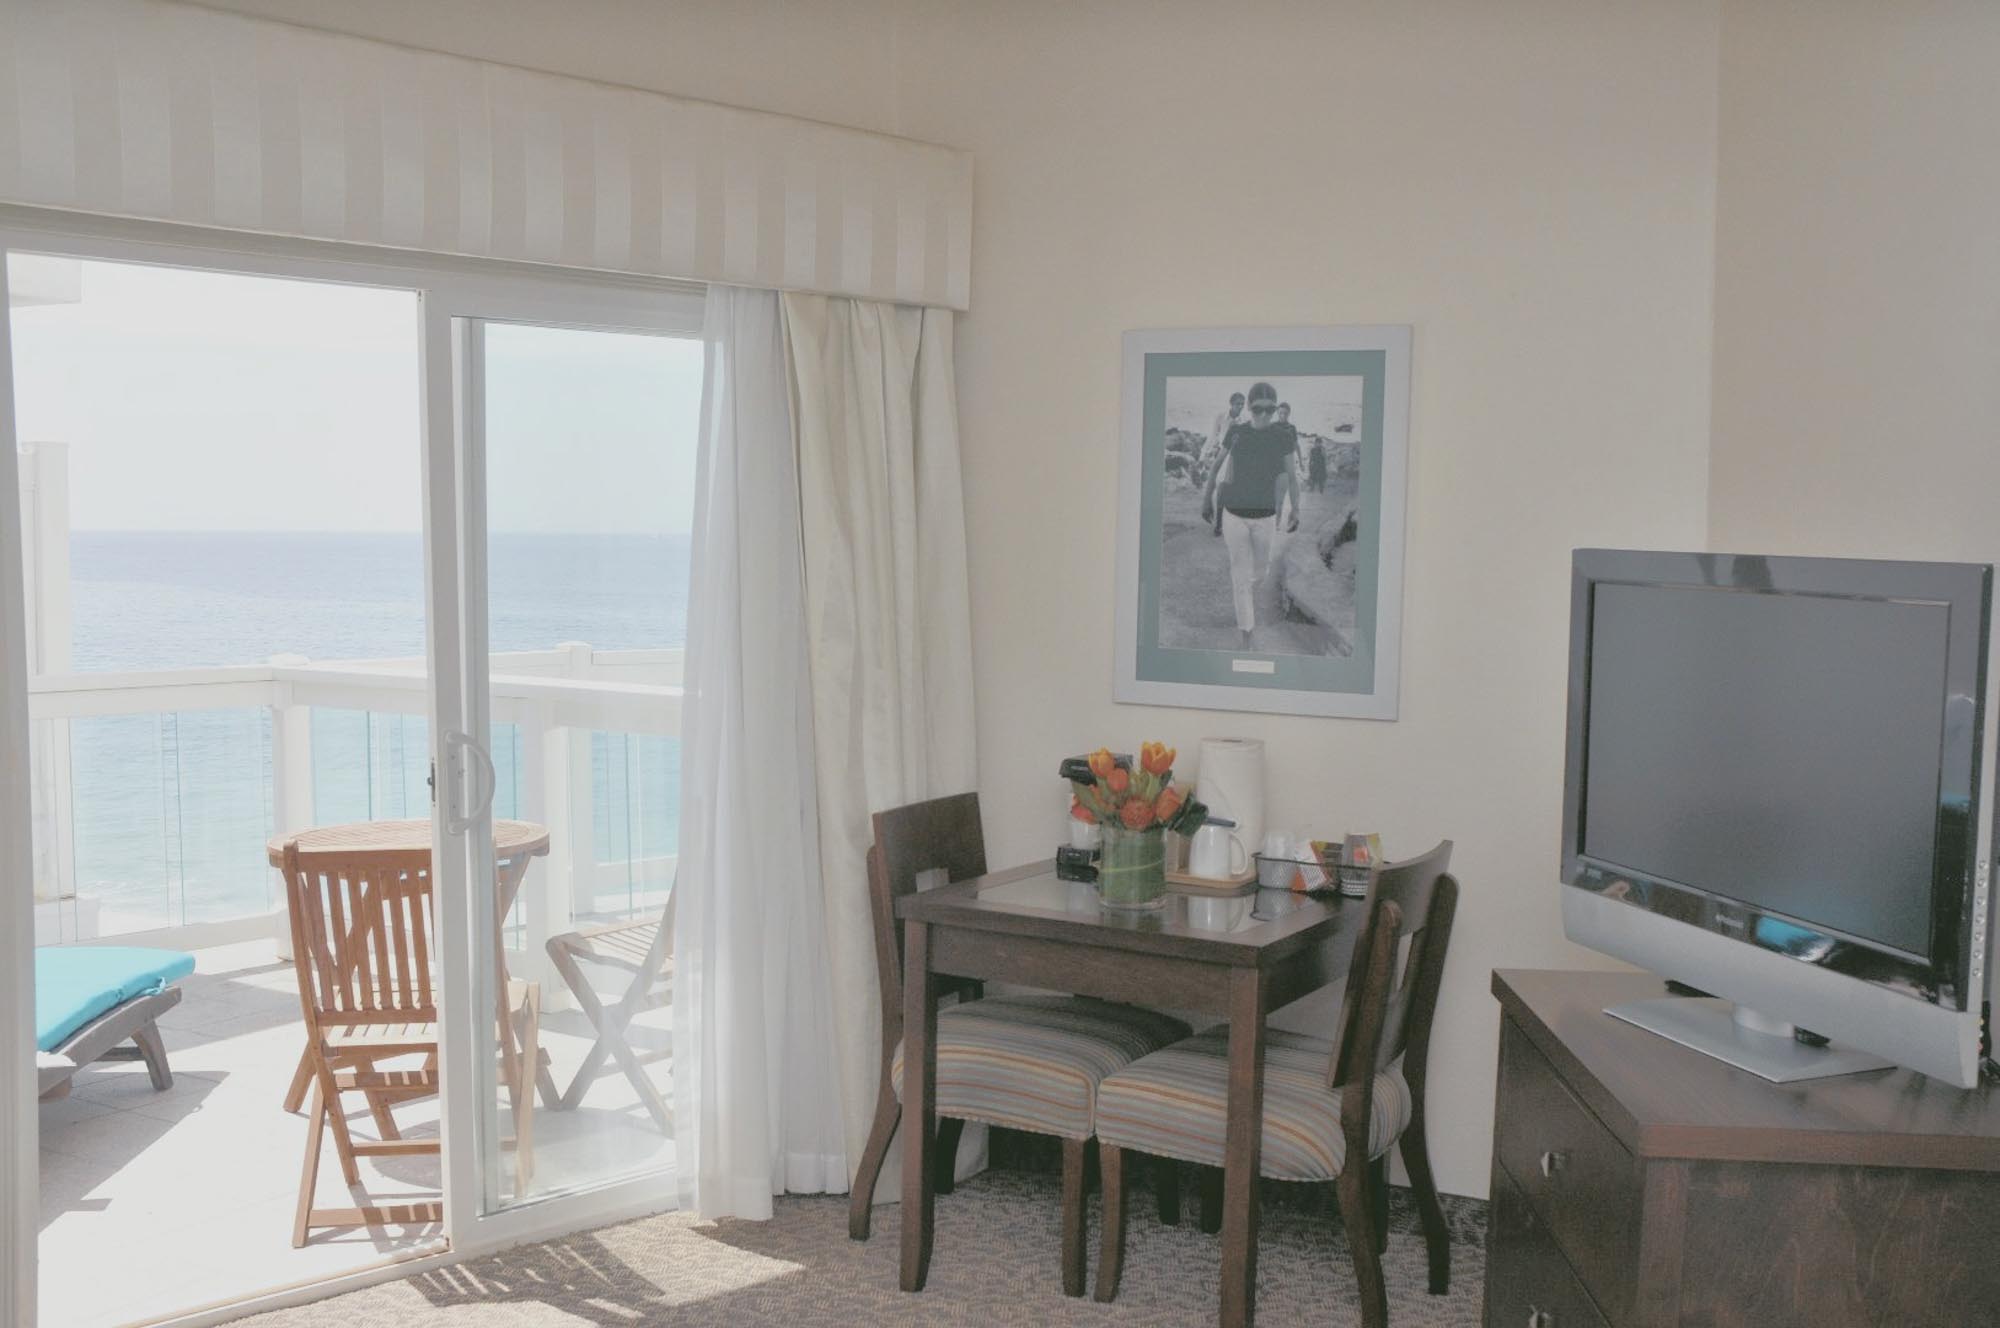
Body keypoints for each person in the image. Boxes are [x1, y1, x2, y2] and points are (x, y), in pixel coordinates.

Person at [1200, 382, 1301, 648]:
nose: (1265, 415)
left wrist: (1296, 509)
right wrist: (1206, 500)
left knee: (1261, 571)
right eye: (1258, 409)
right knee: (1240, 576)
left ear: (1276, 408)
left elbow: (1291, 477)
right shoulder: (1236, 432)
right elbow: (1216, 467)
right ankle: (1247, 634)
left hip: (1265, 517)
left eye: (1270, 409)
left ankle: (1244, 589)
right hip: (1234, 515)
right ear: (1249, 407)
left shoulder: (1283, 436)